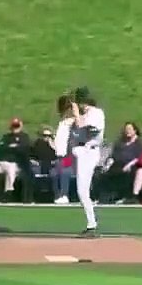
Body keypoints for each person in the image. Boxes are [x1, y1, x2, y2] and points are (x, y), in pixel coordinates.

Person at [57, 87, 105, 236]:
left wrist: (76, 113)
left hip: (90, 152)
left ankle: (92, 224)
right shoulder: (81, 115)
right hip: (81, 153)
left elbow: (82, 125)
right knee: (82, 191)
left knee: (82, 191)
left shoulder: (96, 113)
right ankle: (91, 222)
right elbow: (67, 125)